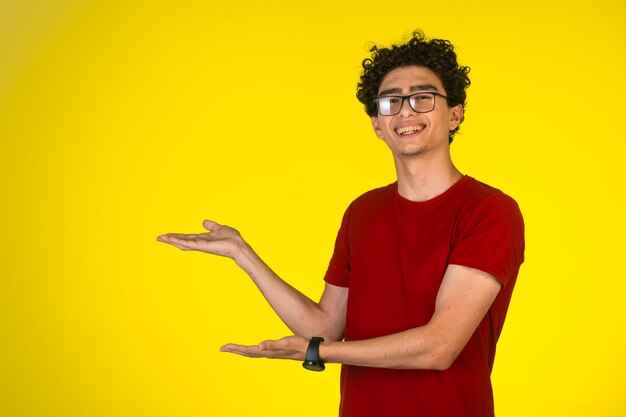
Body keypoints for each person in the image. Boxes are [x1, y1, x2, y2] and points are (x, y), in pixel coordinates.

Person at [157, 31, 525, 417]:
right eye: (390, 102)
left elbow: (439, 346)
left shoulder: (490, 211)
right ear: (377, 124)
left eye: (423, 97)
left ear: (454, 114)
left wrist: (318, 353)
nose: (405, 111)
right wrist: (243, 255)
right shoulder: (362, 212)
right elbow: (325, 326)